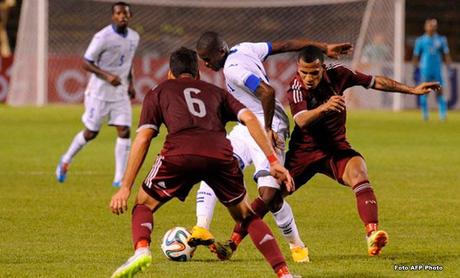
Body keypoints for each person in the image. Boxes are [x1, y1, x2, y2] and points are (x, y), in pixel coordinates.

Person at [217, 46, 440, 259]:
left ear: (323, 68)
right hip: (304, 154)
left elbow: (374, 82)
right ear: (298, 69)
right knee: (269, 198)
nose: (308, 78)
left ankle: (372, 235)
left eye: (313, 73)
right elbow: (301, 120)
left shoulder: (339, 74)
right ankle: (232, 243)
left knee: (359, 174)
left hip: (335, 149)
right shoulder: (296, 87)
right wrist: (325, 107)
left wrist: (411, 90)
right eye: (303, 72)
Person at [109, 47, 296, 278]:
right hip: (220, 156)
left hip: (179, 155)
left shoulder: (158, 91)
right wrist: (272, 161)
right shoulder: (216, 92)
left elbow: (144, 137)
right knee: (246, 216)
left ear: (170, 73)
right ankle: (284, 273)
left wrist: (125, 187)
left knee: (143, 205)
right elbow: (249, 117)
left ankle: (141, 250)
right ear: (198, 73)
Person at [192, 31, 352, 262]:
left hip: (271, 126)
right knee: (214, 165)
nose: (206, 64)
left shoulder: (232, 69)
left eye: (207, 59)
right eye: (202, 60)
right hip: (245, 125)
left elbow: (267, 92)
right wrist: (323, 45)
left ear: (221, 51)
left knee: (270, 196)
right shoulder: (244, 47)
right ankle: (201, 227)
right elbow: (287, 44)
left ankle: (297, 246)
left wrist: (267, 128)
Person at [55, 2, 139, 187]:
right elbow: (86, 62)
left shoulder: (134, 37)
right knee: (91, 133)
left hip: (120, 92)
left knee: (124, 130)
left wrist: (131, 84)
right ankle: (66, 159)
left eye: (125, 13)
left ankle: (119, 179)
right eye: (118, 13)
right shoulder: (102, 37)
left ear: (130, 15)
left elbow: (129, 63)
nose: (122, 16)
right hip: (99, 93)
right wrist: (107, 76)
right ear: (113, 16)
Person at [413, 18, 452, 121]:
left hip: (437, 69)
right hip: (425, 69)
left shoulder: (441, 39)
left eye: (433, 25)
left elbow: (446, 54)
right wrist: (415, 69)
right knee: (424, 91)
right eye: (429, 25)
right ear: (425, 27)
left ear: (436, 27)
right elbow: (416, 56)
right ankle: (425, 114)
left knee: (440, 91)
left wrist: (449, 67)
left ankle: (443, 115)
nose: (431, 27)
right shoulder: (420, 40)